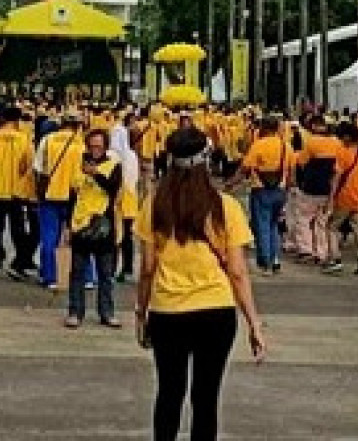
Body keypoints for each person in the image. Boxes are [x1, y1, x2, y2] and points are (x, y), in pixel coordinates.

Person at [135, 126, 266, 441]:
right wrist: (254, 323)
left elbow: (148, 268)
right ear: (206, 161)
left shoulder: (154, 206)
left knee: (169, 393)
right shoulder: (225, 208)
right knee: (206, 398)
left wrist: (141, 311)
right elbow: (237, 271)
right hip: (215, 310)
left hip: (167, 311)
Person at [66, 129, 122, 328]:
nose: (95, 150)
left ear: (105, 147)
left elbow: (113, 188)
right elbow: (72, 196)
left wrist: (96, 174)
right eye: (91, 146)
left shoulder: (113, 166)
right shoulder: (78, 167)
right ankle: (75, 311)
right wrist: (68, 225)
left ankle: (107, 312)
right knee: (77, 272)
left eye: (99, 146)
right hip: (81, 224)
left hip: (103, 225)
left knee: (105, 274)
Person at [228, 117, 293, 275]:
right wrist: (288, 189)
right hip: (280, 190)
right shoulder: (286, 147)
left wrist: (231, 183)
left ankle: (265, 262)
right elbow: (292, 172)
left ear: (263, 128)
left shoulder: (258, 145)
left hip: (261, 190)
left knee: (262, 225)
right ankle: (275, 259)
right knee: (274, 226)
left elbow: (244, 168)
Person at [0, 106, 35, 278]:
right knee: (17, 228)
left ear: (3, 118)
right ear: (18, 120)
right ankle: (19, 258)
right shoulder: (24, 139)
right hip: (16, 191)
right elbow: (28, 165)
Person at [34, 112, 84, 289]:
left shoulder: (48, 141)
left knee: (49, 237)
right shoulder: (83, 143)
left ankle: (50, 277)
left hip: (51, 195)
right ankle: (86, 276)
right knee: (81, 237)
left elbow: (39, 168)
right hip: (76, 195)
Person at [326, 122, 358, 278]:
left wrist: (331, 198)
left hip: (344, 197)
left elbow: (337, 177)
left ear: (347, 137)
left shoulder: (342, 152)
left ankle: (335, 259)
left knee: (331, 228)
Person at [291, 115, 341, 266]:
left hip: (310, 188)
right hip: (328, 189)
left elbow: (301, 163)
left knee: (304, 219)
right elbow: (338, 169)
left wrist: (297, 181)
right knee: (322, 222)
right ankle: (321, 252)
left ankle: (306, 250)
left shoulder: (311, 142)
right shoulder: (337, 143)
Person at [110, 112, 141, 283]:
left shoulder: (112, 156)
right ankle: (127, 267)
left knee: (115, 235)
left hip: (116, 200)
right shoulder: (131, 155)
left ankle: (112, 268)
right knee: (127, 235)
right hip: (130, 199)